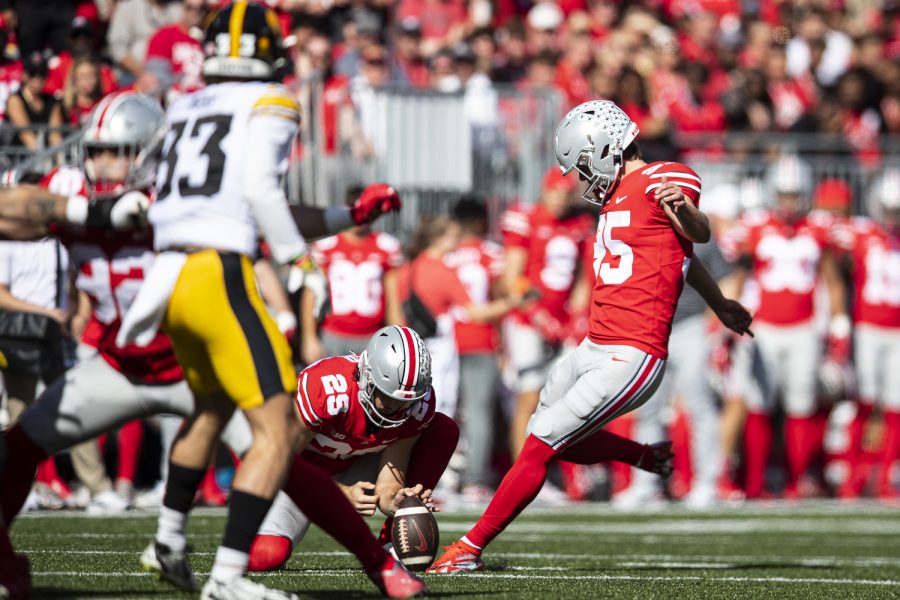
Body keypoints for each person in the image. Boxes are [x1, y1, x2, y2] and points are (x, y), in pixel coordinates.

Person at [122, 4, 418, 599]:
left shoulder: (185, 104)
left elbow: (217, 194)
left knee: (208, 410)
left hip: (169, 273)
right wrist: (300, 262)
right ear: (267, 51)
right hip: (218, 275)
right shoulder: (272, 100)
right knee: (278, 430)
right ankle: (226, 579)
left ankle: (169, 539)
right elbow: (262, 193)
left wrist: (344, 218)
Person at [428, 99, 753, 573]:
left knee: (540, 440)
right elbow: (682, 256)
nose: (581, 178)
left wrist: (685, 211)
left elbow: (696, 233)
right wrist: (721, 303)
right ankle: (645, 456)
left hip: (633, 352)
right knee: (554, 437)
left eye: (582, 165)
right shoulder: (619, 194)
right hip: (595, 343)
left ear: (604, 149)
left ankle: (468, 549)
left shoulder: (667, 176)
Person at [248, 325, 459, 572]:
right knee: (268, 555)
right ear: (368, 376)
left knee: (443, 430)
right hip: (296, 476)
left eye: (406, 401)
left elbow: (389, 482)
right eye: (389, 398)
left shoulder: (416, 405)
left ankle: (392, 539)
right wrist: (342, 494)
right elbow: (277, 461)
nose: (398, 409)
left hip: (355, 464)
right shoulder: (326, 388)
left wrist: (399, 502)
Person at [731, 154, 849, 499]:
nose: (788, 203)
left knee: (801, 406)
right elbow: (739, 277)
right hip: (763, 329)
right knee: (759, 404)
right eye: (783, 195)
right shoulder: (754, 226)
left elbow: (833, 281)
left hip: (804, 328)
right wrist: (727, 324)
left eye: (794, 195)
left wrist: (839, 327)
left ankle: (798, 481)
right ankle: (755, 482)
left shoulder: (819, 229)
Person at [834, 169, 900, 499]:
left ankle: (886, 476)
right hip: (869, 329)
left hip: (897, 332)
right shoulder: (861, 234)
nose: (892, 218)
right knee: (863, 402)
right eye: (889, 210)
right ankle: (853, 475)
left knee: (895, 406)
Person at [301, 185, 404, 363]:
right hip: (333, 334)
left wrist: (400, 340)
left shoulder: (387, 247)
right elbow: (312, 293)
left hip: (373, 336)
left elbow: (393, 299)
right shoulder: (327, 245)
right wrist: (309, 337)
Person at [6, 53, 63, 151]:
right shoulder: (15, 99)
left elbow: (55, 136)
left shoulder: (52, 101)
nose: (37, 78)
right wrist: (44, 161)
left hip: (46, 157)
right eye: (32, 74)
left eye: (42, 74)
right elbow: (26, 135)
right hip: (20, 160)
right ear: (24, 75)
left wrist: (57, 160)